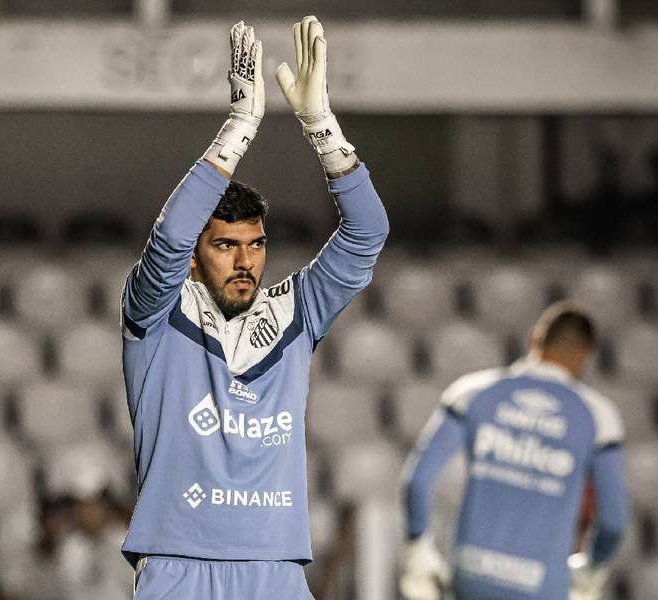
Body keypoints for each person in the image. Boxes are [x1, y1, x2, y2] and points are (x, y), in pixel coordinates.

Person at [119, 16, 388, 599]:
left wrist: (319, 124)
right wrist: (241, 126)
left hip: (276, 571)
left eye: (256, 244)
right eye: (224, 245)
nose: (245, 261)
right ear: (196, 257)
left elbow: (367, 232)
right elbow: (168, 239)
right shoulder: (155, 315)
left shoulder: (297, 312)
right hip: (177, 567)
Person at [399, 302, 628, 600]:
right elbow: (613, 522)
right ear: (584, 356)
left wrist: (418, 549)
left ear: (534, 338)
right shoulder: (599, 417)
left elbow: (417, 481)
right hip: (544, 586)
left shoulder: (472, 391)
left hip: (470, 577)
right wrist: (590, 571)